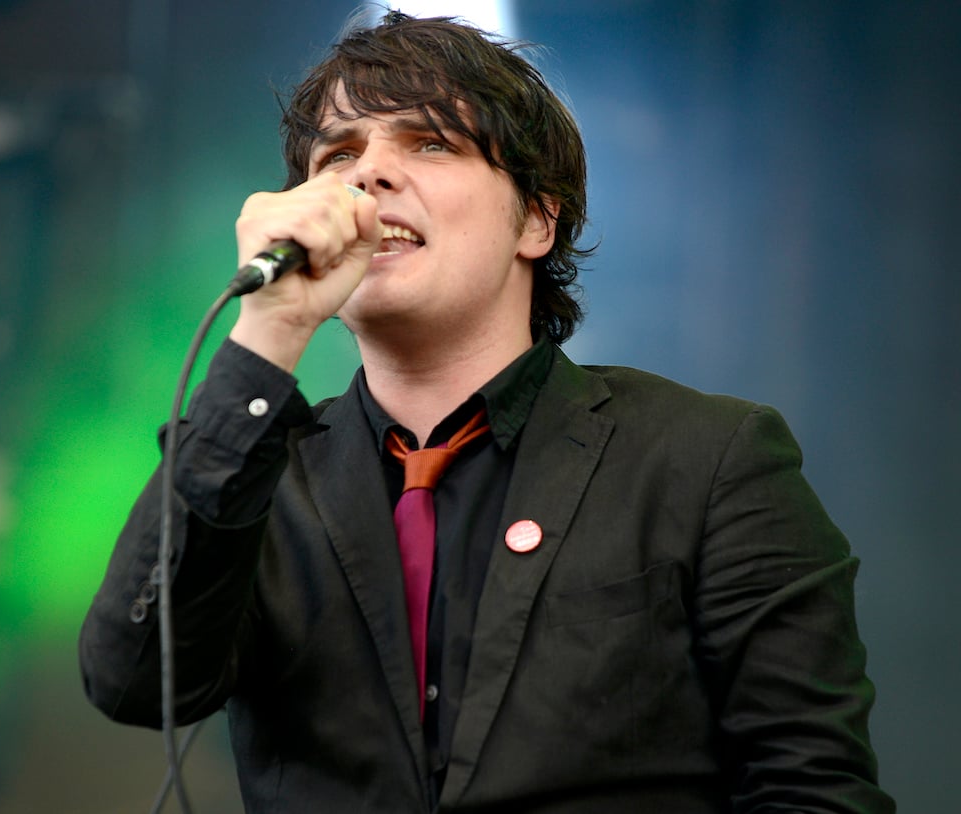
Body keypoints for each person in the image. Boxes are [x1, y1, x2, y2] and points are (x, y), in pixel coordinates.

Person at [79, 12, 893, 813]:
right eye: (339, 154)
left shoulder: (705, 459)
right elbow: (130, 679)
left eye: (431, 143)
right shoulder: (260, 481)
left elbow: (812, 787)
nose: (369, 174)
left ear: (536, 219)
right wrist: (270, 331)